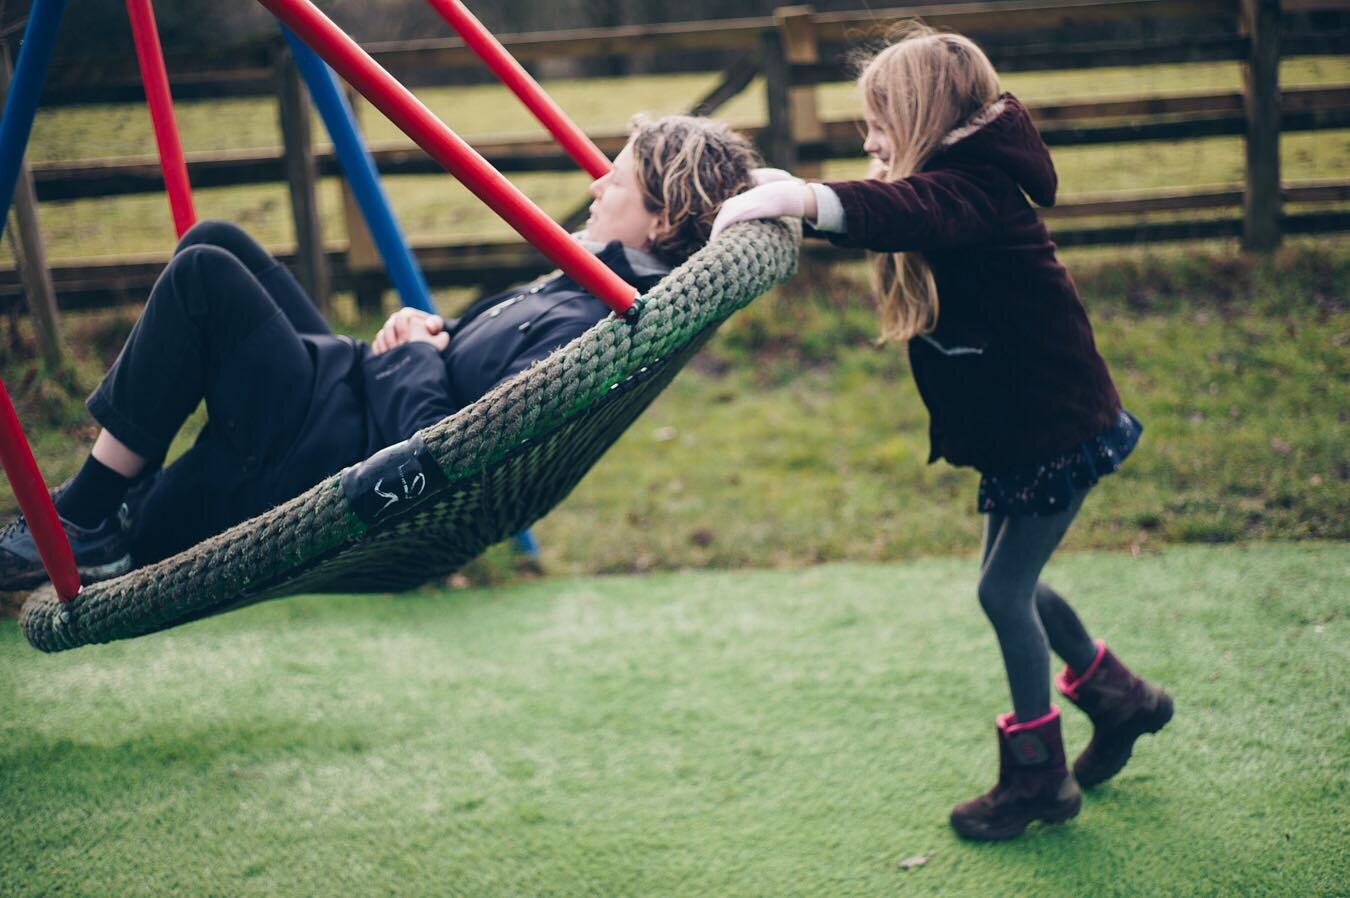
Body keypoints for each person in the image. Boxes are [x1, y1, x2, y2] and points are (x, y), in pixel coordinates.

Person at [709, 25, 1172, 841]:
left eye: (879, 120)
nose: (868, 139)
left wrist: (798, 200)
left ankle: (1039, 778)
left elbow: (901, 208)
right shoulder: (961, 182)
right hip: (1028, 429)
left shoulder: (977, 189)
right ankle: (1122, 701)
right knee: (1013, 583)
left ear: (923, 114)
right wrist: (797, 191)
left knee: (1002, 591)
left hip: (1055, 426)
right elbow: (893, 202)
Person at [1, 114, 759, 587]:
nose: (597, 184)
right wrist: (419, 340)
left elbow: (447, 457)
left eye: (618, 180)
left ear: (662, 223)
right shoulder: (597, 285)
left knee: (203, 276)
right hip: (353, 396)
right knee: (215, 240)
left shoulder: (595, 327)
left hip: (338, 448)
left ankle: (89, 515)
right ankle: (121, 490)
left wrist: (411, 354)